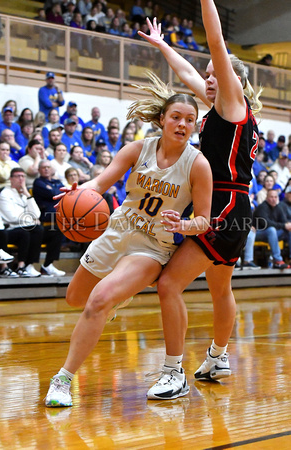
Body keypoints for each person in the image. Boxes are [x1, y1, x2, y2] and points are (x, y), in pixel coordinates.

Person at [44, 70, 213, 407]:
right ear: (162, 119)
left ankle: (62, 380)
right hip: (117, 230)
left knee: (98, 301)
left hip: (152, 246)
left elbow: (204, 221)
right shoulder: (138, 149)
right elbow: (100, 184)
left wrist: (183, 225)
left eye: (190, 120)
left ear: (195, 125)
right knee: (76, 298)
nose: (182, 124)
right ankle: (118, 296)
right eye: (176, 117)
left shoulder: (198, 165)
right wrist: (79, 191)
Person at [138, 0, 263, 399]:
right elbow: (190, 71)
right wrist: (162, 46)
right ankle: (218, 355)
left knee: (169, 284)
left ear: (233, 80)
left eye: (216, 74)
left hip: (223, 208)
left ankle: (173, 372)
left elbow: (215, 41)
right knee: (220, 289)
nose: (208, 79)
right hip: (235, 208)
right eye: (208, 77)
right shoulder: (220, 109)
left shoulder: (231, 103)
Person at [0, 167, 44, 277]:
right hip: (9, 229)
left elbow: (37, 214)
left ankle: (28, 265)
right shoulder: (5, 194)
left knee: (40, 230)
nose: (21, 179)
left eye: (23, 176)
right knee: (26, 232)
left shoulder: (24, 194)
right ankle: (21, 266)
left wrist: (28, 194)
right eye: (18, 176)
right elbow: (12, 217)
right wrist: (31, 220)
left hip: (23, 227)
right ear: (11, 179)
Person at [32, 161, 66, 277]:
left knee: (57, 231)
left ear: (52, 170)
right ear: (39, 170)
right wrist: (55, 192)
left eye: (48, 167)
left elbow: (64, 193)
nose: (46, 169)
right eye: (43, 167)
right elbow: (54, 193)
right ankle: (29, 265)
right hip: (43, 221)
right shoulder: (38, 182)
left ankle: (48, 265)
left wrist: (54, 191)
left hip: (57, 220)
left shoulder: (57, 182)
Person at [253, 189, 291, 269]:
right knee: (271, 229)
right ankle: (277, 260)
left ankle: (290, 258)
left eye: (275, 197)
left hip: (273, 234)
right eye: (271, 197)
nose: (274, 199)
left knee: (289, 230)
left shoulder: (278, 207)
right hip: (258, 233)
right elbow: (266, 224)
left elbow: (284, 221)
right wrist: (284, 225)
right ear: (267, 198)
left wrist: (287, 225)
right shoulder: (262, 207)